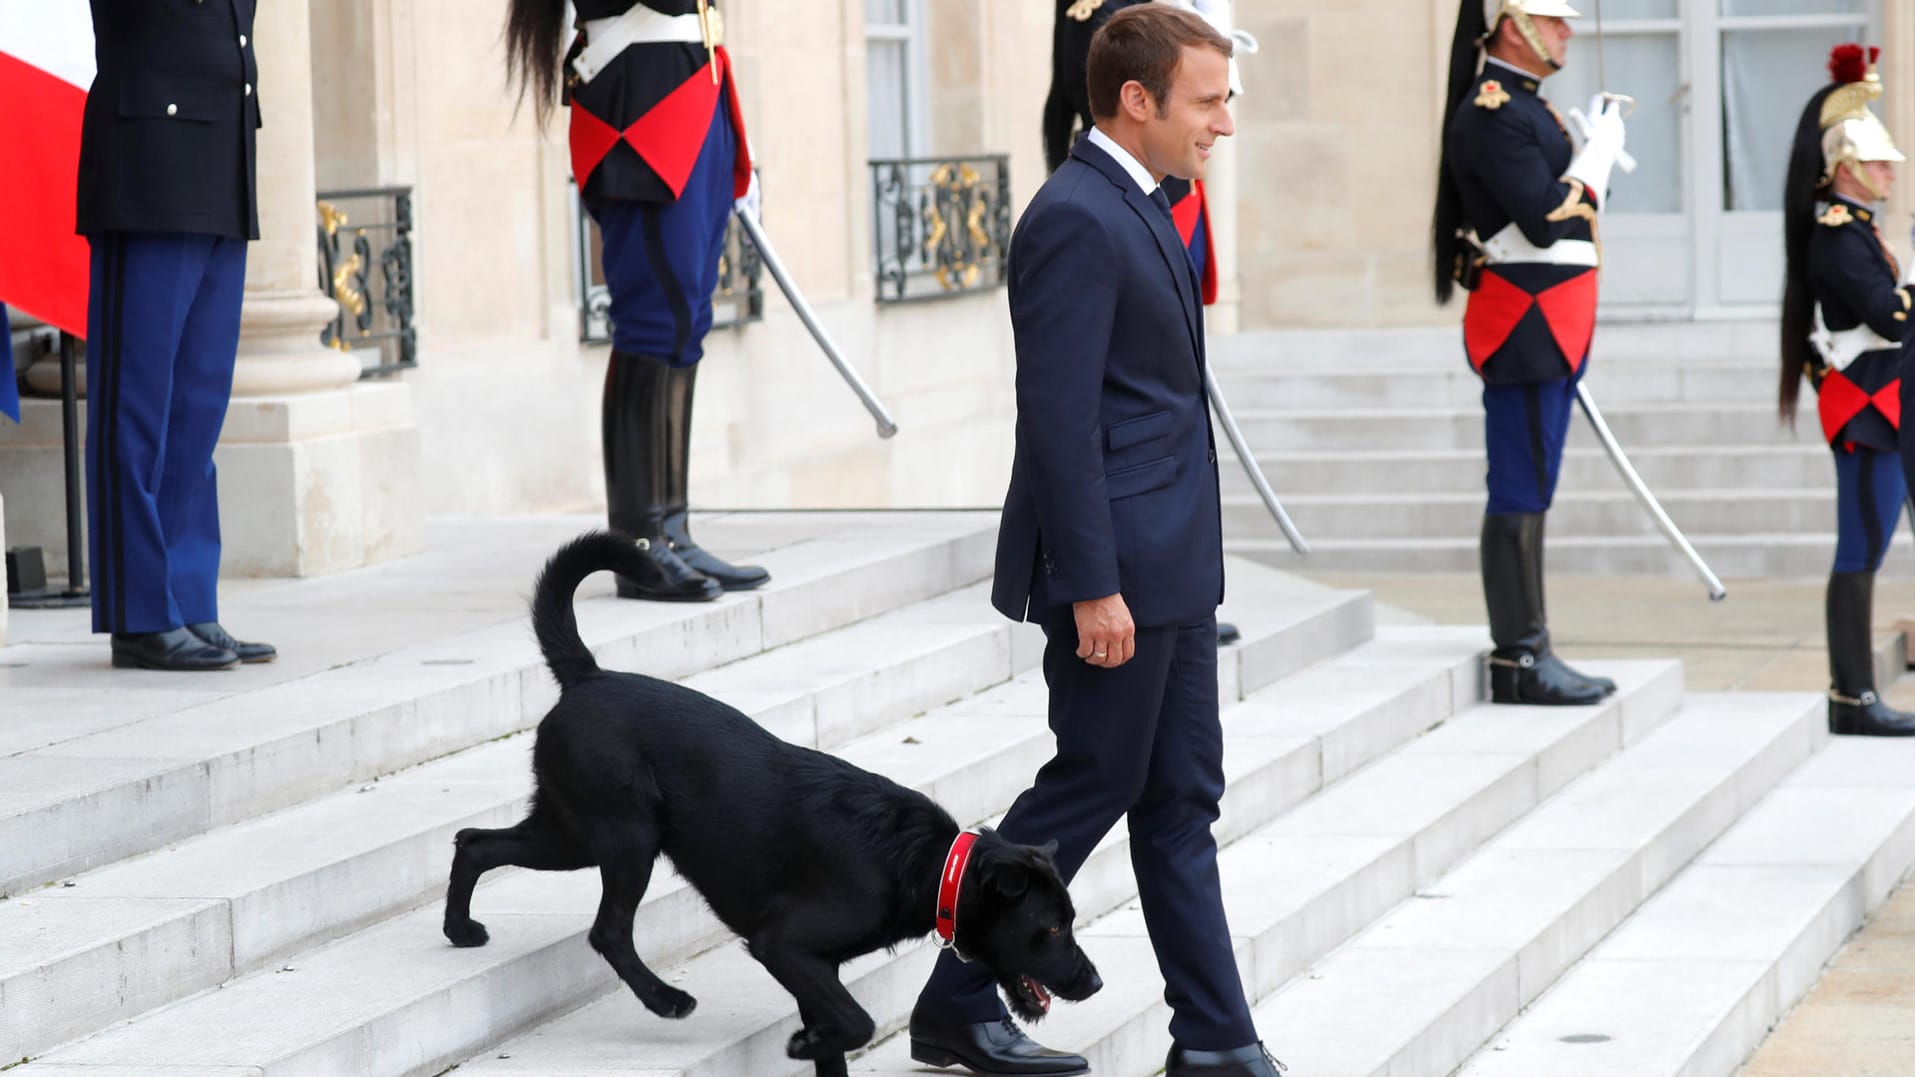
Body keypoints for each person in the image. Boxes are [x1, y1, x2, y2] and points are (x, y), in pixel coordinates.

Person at [906, 8, 1283, 1077]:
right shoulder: (1075, 214)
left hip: (1172, 567)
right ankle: (953, 999)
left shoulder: (1142, 202)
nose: (1223, 123)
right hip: (1117, 572)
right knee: (1086, 788)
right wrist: (1091, 586)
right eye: (1207, 101)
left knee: (1178, 803)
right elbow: (1059, 420)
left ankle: (1215, 1040)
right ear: (1136, 98)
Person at [504, 0, 767, 603]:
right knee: (653, 317)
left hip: (693, 86)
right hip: (640, 103)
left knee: (687, 319)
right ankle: (637, 544)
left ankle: (671, 528)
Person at [1432, 0, 1626, 706]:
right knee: (1519, 485)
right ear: (1514, 25)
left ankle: (1532, 641)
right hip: (1526, 324)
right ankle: (1518, 652)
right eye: (1556, 19)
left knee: (1533, 486)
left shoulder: (1525, 106)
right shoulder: (1492, 111)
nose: (1568, 30)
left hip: (1549, 325)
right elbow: (1544, 223)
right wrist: (1596, 161)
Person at [75, 0, 275, 672]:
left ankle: (188, 598)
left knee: (197, 406)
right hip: (150, 158)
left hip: (221, 153)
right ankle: (139, 613)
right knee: (137, 406)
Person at [1780, 45, 1915, 737]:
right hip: (1864, 410)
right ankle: (1852, 696)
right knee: (1857, 550)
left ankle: (1855, 692)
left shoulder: (1857, 230)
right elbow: (1889, 316)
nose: (1890, 169)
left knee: (1869, 548)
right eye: (1879, 160)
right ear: (1847, 169)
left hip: (1883, 407)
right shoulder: (1836, 237)